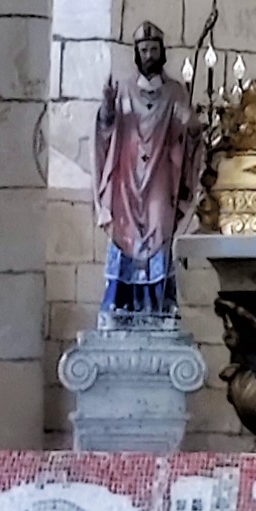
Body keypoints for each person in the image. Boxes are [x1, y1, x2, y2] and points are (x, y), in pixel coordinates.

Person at [91, 23, 204, 322]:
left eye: (154, 50)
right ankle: (120, 303)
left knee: (159, 230)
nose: (149, 55)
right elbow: (106, 132)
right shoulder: (124, 90)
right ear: (137, 54)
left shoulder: (175, 92)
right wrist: (107, 108)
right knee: (125, 235)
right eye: (144, 50)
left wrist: (192, 127)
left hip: (160, 177)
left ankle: (158, 305)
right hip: (127, 178)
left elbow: (189, 138)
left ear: (162, 53)